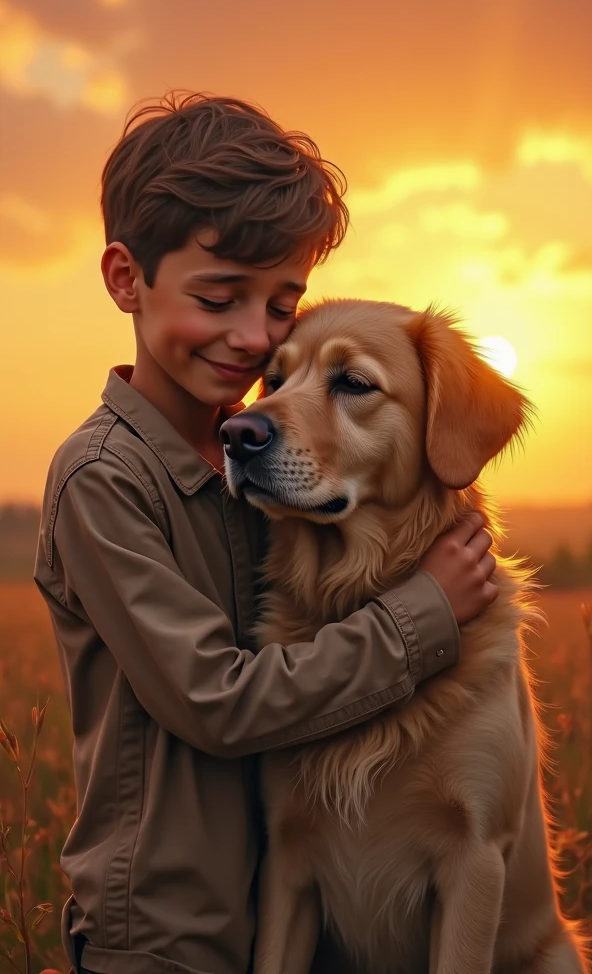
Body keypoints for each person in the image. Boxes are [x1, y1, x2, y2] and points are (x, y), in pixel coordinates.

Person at [34, 92, 498, 974]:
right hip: (166, 940)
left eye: (283, 304)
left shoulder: (253, 457)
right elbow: (215, 699)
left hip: (284, 927)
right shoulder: (102, 479)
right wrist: (424, 615)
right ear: (127, 279)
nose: (253, 338)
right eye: (219, 298)